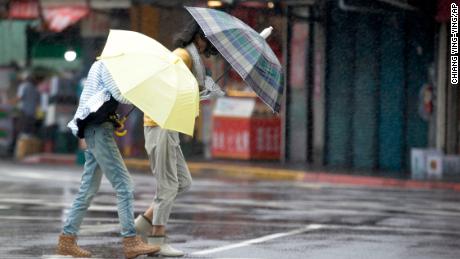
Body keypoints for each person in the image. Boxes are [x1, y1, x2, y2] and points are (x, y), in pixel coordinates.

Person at [134, 18, 224, 257]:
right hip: (161, 123)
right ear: (198, 37)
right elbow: (167, 87)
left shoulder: (188, 57)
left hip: (168, 125)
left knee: (183, 183)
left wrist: (202, 90)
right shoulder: (183, 56)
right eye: (206, 40)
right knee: (167, 186)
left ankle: (141, 225)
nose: (207, 46)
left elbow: (181, 89)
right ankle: (157, 240)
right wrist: (199, 90)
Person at [55, 60, 160, 259]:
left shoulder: (102, 65)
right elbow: (120, 94)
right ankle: (130, 241)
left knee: (87, 190)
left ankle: (66, 240)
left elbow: (104, 100)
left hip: (97, 129)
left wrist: (112, 119)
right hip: (98, 132)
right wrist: (144, 93)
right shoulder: (107, 65)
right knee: (124, 185)